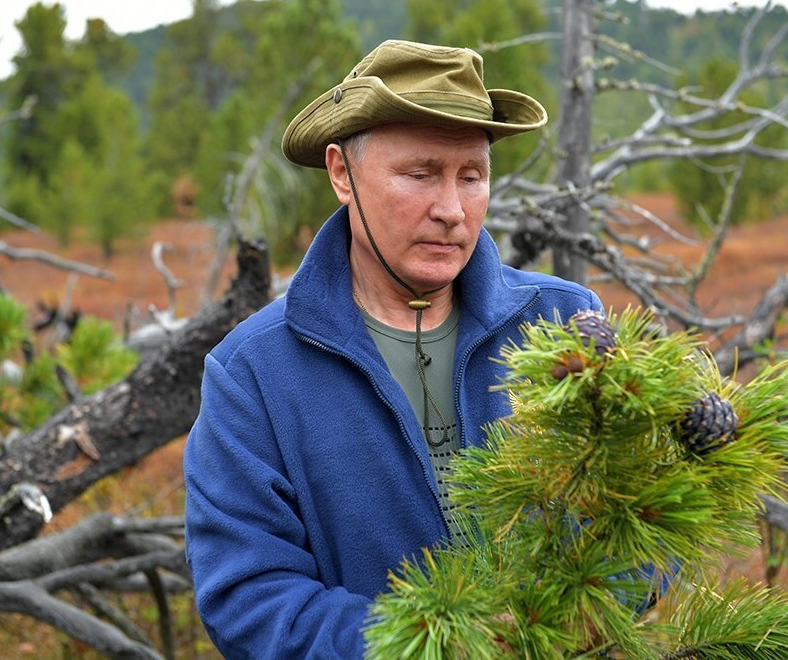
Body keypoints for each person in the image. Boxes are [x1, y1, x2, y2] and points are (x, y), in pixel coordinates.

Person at [183, 39, 605, 658]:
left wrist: (579, 618)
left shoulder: (562, 322)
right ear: (341, 173)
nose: (452, 210)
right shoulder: (253, 374)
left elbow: (646, 511)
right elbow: (249, 600)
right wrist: (444, 644)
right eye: (420, 174)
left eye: (472, 177)